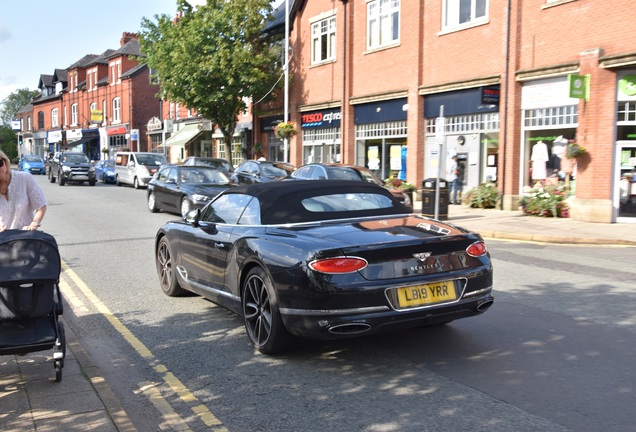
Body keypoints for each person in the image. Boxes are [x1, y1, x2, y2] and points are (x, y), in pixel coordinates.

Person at [0, 150, 47, 232]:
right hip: (2, 240)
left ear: (5, 161)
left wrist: (34, 223)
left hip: (24, 237)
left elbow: (41, 205)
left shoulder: (25, 178)